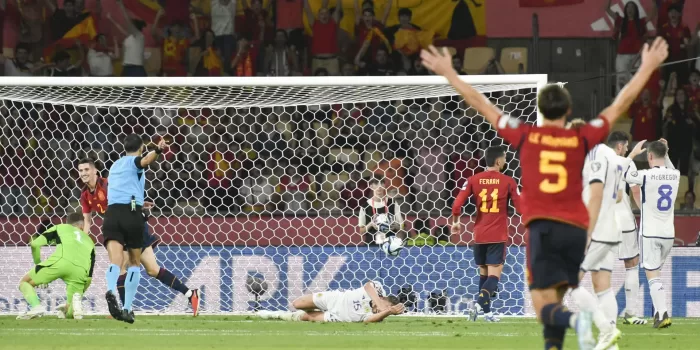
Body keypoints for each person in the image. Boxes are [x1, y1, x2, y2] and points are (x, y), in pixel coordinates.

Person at [421, 35, 668, 350]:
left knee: (544, 307)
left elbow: (481, 103)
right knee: (562, 294)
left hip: (543, 229)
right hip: (576, 230)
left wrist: (449, 73)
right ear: (568, 111)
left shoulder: (525, 135)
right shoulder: (582, 136)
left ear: (539, 108)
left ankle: (580, 322)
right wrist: (647, 66)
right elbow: (620, 103)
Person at [77, 158, 200, 317]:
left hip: (132, 225)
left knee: (122, 266)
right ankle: (190, 294)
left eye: (87, 170)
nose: (83, 173)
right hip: (118, 230)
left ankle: (125, 310)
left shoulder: (109, 184)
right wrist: (82, 241)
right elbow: (87, 222)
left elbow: (129, 194)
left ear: (95, 171)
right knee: (152, 270)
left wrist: (138, 204)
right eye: (81, 171)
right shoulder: (85, 195)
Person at [572, 131, 633, 341]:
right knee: (602, 285)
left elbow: (597, 196)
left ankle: (607, 329)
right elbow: (617, 197)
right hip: (610, 229)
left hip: (595, 230)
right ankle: (610, 339)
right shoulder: (613, 160)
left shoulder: (595, 159)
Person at [103, 135, 169, 323]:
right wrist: (158, 150)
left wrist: (139, 201)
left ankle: (109, 290)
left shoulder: (114, 166)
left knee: (116, 261)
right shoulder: (135, 161)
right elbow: (146, 160)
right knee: (133, 262)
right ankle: (127, 308)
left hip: (112, 214)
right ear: (141, 148)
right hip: (131, 215)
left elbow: (121, 189)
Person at [451, 146, 520, 323]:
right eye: (504, 158)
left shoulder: (473, 179)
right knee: (494, 276)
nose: (505, 161)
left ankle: (487, 314)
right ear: (498, 161)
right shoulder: (508, 181)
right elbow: (520, 208)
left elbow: (456, 204)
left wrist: (456, 221)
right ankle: (479, 305)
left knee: (483, 274)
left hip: (479, 234)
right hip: (498, 234)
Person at [620, 139, 679, 329]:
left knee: (652, 275)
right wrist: (666, 152)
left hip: (650, 234)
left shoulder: (646, 176)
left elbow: (624, 175)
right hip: (669, 234)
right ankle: (658, 313)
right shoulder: (675, 174)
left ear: (650, 156)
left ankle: (662, 314)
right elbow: (668, 166)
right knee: (656, 274)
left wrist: (633, 155)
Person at [16, 213, 95, 320]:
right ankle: (75, 302)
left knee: (24, 282)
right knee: (70, 314)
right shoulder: (90, 241)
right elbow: (89, 278)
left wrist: (39, 266)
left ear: (68, 223)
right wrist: (81, 291)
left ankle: (36, 307)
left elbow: (35, 244)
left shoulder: (60, 228)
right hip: (80, 272)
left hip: (60, 262)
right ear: (82, 226)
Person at [257, 281, 404, 323]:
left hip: (338, 318)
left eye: (386, 312)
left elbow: (368, 321)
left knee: (306, 317)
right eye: (385, 307)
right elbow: (368, 285)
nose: (381, 311)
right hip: (334, 299)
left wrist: (387, 312)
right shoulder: (378, 290)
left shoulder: (379, 317)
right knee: (297, 304)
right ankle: (285, 313)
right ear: (385, 299)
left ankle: (275, 315)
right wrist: (378, 303)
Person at [614, 142, 645, 326]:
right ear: (619, 146)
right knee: (632, 263)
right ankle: (630, 313)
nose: (626, 149)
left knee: (599, 269)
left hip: (602, 223)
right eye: (625, 146)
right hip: (623, 221)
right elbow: (635, 191)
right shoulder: (627, 163)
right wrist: (644, 213)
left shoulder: (596, 162)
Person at [606, 0, 647, 92]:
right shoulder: (620, 20)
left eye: (632, 7)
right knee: (621, 82)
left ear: (636, 10)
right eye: (628, 7)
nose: (630, 9)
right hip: (622, 56)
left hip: (636, 56)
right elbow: (607, 9)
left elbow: (653, 14)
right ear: (625, 9)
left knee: (636, 81)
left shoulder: (640, 22)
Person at [358, 176, 403, 245]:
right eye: (376, 184)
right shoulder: (365, 206)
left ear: (384, 186)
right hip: (371, 245)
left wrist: (396, 226)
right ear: (371, 186)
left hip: (389, 244)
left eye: (381, 183)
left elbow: (402, 226)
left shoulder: (392, 203)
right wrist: (371, 224)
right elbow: (361, 231)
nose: (379, 187)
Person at [110, 0, 147, 77]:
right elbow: (120, 28)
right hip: (127, 68)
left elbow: (127, 20)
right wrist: (111, 19)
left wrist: (121, 6)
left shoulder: (139, 36)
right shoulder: (131, 36)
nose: (128, 27)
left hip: (136, 69)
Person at [305, 0, 342, 76]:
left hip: (332, 60)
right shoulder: (314, 24)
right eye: (322, 14)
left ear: (329, 15)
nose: (324, 15)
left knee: (334, 85)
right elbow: (307, 10)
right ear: (318, 16)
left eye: (326, 13)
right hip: (317, 61)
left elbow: (338, 9)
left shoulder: (333, 23)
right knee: (317, 86)